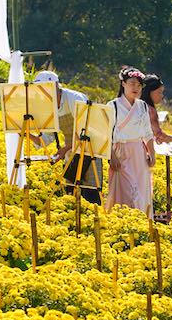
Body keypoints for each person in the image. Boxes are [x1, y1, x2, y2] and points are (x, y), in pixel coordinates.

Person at [32, 71, 103, 205]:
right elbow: (45, 139)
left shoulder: (74, 98)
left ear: (56, 86)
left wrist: (64, 150)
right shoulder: (48, 105)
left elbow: (87, 131)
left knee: (91, 192)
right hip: (70, 153)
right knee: (70, 193)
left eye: (46, 88)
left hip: (89, 149)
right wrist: (25, 134)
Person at [105, 67, 155, 215]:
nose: (136, 88)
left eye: (139, 85)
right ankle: (122, 221)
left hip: (139, 152)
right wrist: (112, 156)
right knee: (125, 190)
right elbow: (106, 134)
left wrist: (152, 153)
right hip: (121, 151)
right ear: (123, 84)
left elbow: (147, 132)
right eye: (132, 83)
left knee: (141, 190)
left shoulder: (142, 106)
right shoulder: (113, 105)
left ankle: (142, 220)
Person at [140, 74, 172, 144]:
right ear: (149, 91)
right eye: (159, 92)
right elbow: (160, 137)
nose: (162, 96)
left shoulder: (135, 105)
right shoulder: (150, 111)